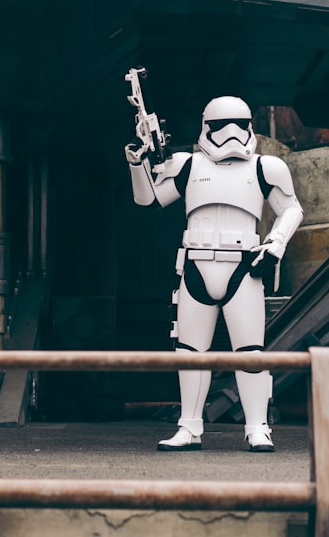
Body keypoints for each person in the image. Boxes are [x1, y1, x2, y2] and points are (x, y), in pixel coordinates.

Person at [125, 94, 303, 453]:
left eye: (240, 125)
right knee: (190, 351)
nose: (231, 134)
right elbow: (149, 199)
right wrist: (136, 161)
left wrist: (275, 244)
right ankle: (189, 427)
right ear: (206, 127)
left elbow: (291, 209)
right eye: (221, 126)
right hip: (196, 264)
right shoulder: (188, 165)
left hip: (244, 266)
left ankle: (257, 428)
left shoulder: (265, 168)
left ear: (251, 127)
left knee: (250, 352)